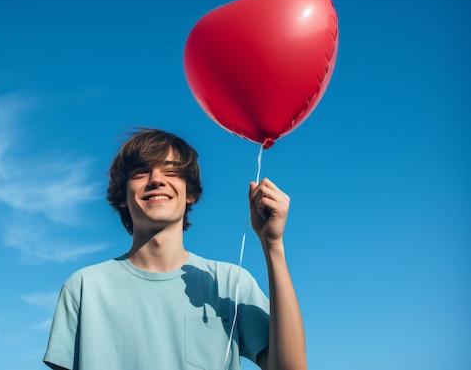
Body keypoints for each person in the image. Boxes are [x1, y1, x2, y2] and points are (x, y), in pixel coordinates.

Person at [43, 128, 306, 370]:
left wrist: (272, 245)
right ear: (122, 196)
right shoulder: (84, 287)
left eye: (171, 172)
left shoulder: (229, 282)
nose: (156, 179)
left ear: (190, 192)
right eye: (141, 172)